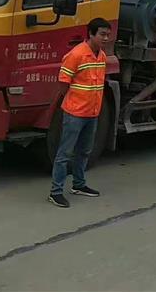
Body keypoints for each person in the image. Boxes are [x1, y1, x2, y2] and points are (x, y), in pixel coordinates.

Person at [48, 18, 112, 208]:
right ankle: (56, 191)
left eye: (108, 34)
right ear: (90, 34)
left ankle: (79, 184)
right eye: (102, 34)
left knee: (84, 151)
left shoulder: (101, 56)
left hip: (92, 113)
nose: (106, 38)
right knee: (65, 153)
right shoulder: (76, 55)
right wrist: (73, 100)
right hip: (75, 113)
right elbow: (63, 83)